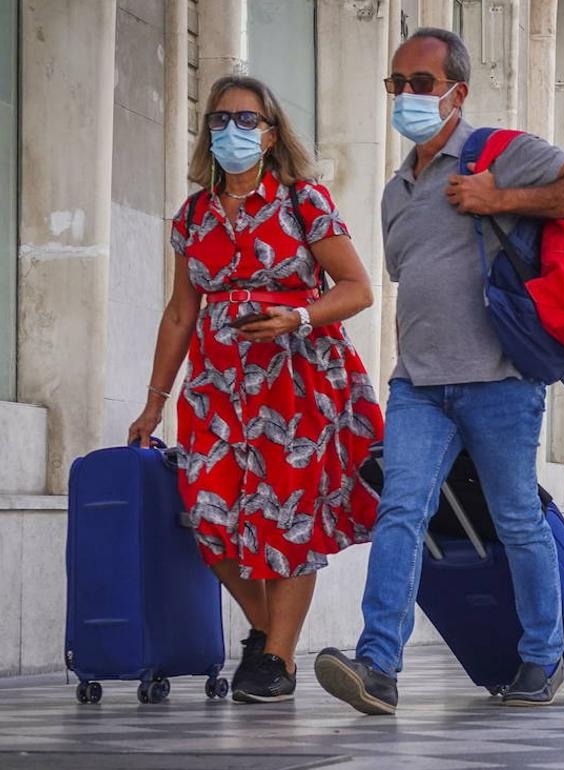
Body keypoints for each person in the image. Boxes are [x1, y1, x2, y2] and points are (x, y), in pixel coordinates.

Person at [313, 28, 564, 714]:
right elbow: (410, 281)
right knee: (400, 512)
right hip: (418, 385)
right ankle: (379, 668)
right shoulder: (396, 191)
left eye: (421, 84)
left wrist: (500, 200)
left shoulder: (499, 156)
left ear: (457, 91)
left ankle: (542, 660)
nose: (406, 97)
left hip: (501, 379)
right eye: (397, 85)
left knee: (516, 520)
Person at [128, 75, 383, 703]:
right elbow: (180, 314)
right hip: (216, 389)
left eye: (245, 120)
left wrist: (295, 316)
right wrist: (154, 402)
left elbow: (356, 288)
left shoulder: (304, 201)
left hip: (295, 381)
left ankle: (277, 659)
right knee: (206, 518)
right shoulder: (192, 217)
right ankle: (268, 629)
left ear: (270, 134)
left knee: (287, 519)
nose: (230, 131)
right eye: (219, 120)